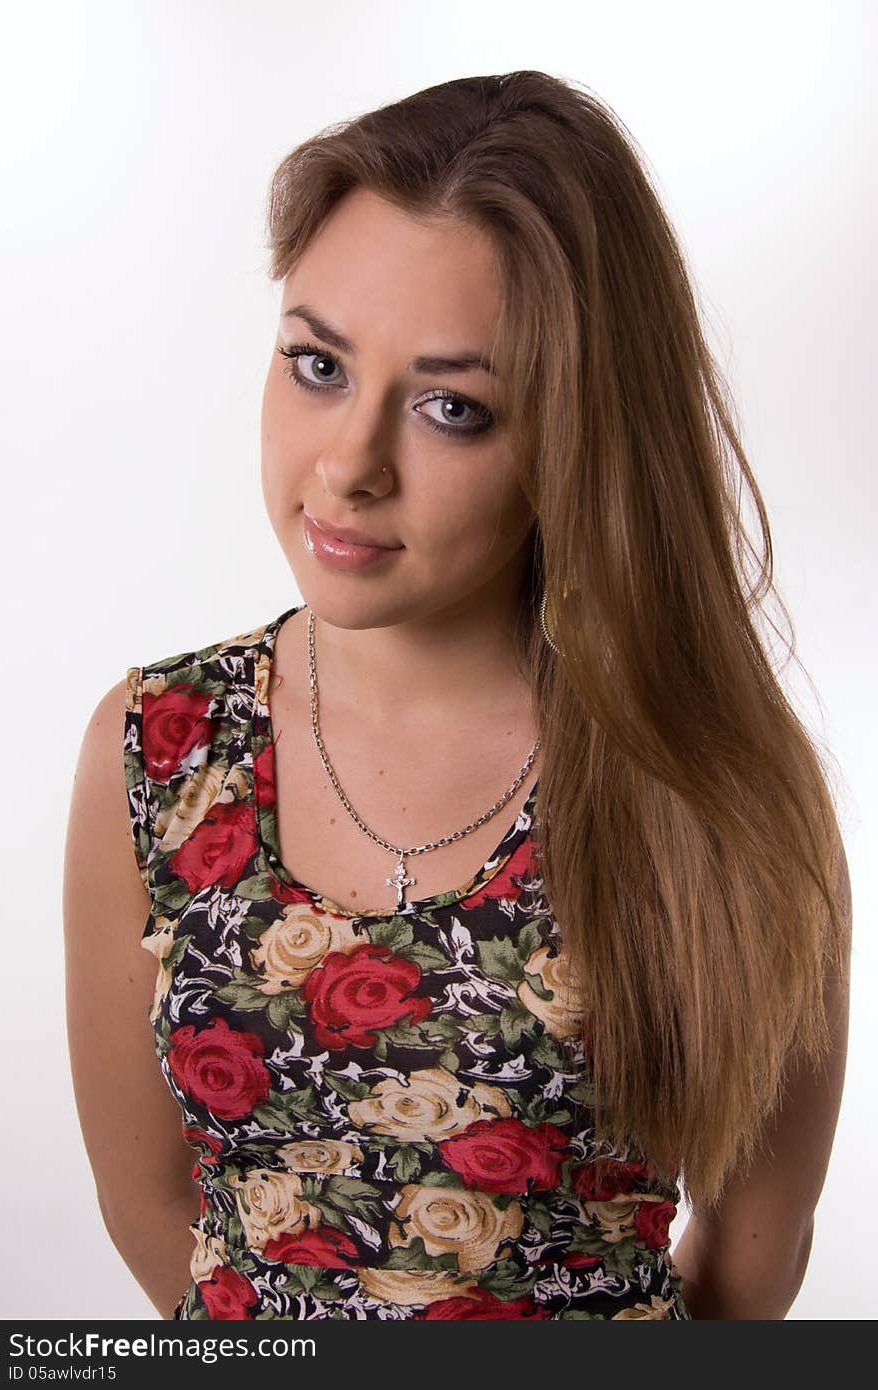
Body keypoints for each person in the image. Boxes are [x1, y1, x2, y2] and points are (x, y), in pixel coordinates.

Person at [64, 71, 852, 1322]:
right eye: (316, 362)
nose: (349, 464)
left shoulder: (711, 784)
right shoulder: (157, 750)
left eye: (451, 407)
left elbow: (754, 1250)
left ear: (576, 431)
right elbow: (147, 1204)